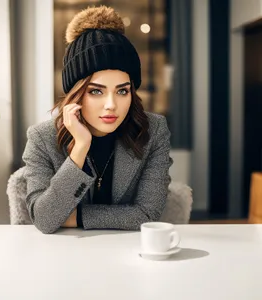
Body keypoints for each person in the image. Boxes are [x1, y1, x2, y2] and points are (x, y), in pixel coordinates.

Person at [22, 5, 173, 234]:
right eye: (96, 91)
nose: (111, 104)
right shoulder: (41, 138)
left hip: (129, 253)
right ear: (76, 93)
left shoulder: (153, 131)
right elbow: (44, 219)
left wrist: (76, 216)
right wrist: (80, 148)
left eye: (122, 91)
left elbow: (146, 215)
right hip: (66, 256)